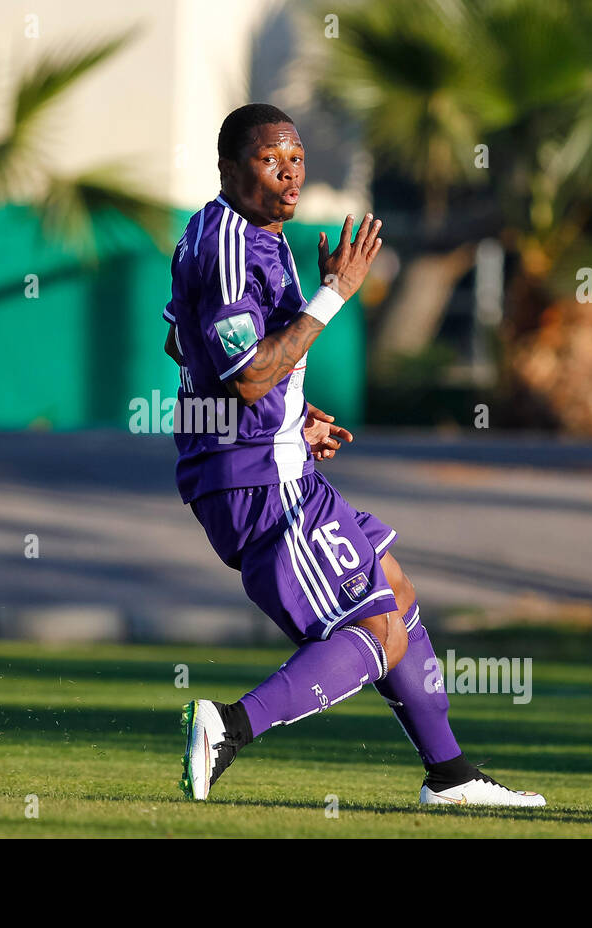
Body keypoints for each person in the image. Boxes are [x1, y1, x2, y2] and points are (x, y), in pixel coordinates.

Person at [164, 103, 544, 807]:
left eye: (297, 158)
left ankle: (451, 775)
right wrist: (335, 295)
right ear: (227, 167)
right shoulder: (224, 243)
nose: (289, 171)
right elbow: (244, 374)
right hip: (258, 480)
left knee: (392, 589)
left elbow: (188, 348)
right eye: (269, 157)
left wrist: (289, 415)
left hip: (274, 458)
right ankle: (228, 727)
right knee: (372, 629)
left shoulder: (247, 235)